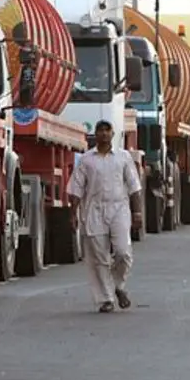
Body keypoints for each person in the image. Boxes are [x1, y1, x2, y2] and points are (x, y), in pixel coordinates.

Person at [67, 120, 143, 313]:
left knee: (122, 252)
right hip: (94, 210)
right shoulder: (86, 160)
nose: (103, 134)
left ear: (112, 133)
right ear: (95, 134)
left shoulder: (123, 157)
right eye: (100, 130)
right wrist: (73, 213)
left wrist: (137, 212)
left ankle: (118, 286)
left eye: (107, 130)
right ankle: (105, 299)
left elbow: (134, 187)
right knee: (99, 257)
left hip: (119, 208)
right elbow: (76, 188)